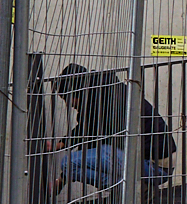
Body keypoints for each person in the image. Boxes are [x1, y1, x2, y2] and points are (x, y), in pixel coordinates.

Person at [49, 64, 175, 195]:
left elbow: (90, 137)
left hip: (154, 166)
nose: (69, 105)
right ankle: (136, 190)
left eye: (67, 99)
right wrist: (62, 144)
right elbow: (87, 132)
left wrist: (64, 176)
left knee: (69, 163)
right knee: (75, 162)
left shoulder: (102, 102)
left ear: (77, 92)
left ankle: (135, 192)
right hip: (159, 162)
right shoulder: (103, 93)